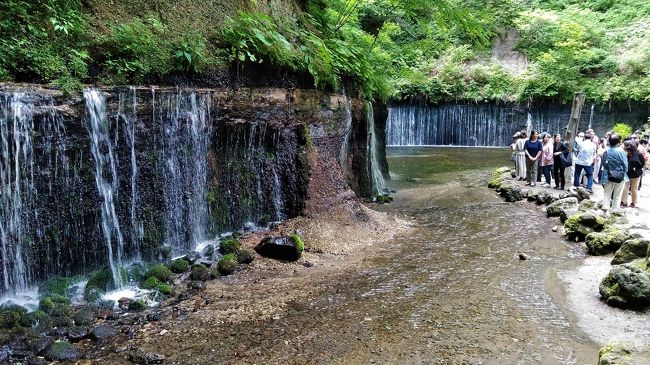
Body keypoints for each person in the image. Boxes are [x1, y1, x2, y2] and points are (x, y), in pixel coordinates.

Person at [601, 134, 628, 213]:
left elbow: (603, 164)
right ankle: (615, 212)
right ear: (619, 142)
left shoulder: (606, 151)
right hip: (619, 176)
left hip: (607, 175)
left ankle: (605, 212)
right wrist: (624, 171)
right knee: (617, 195)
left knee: (607, 194)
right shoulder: (621, 151)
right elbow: (625, 165)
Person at [622, 140, 645, 208]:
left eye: (626, 146)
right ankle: (623, 201)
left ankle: (633, 203)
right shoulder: (626, 153)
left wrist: (636, 168)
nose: (625, 148)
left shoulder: (639, 154)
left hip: (635, 174)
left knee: (634, 188)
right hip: (627, 173)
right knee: (625, 187)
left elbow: (642, 163)